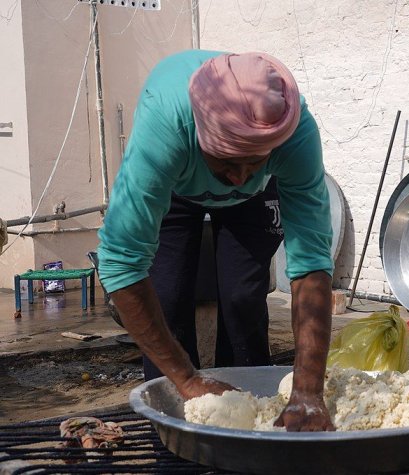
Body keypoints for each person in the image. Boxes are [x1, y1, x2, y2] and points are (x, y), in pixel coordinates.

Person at [97, 50, 335, 431]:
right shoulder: (166, 125)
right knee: (168, 298)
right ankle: (174, 423)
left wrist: (308, 393)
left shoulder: (293, 134)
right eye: (228, 162)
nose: (239, 177)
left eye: (252, 162)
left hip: (258, 195)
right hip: (177, 187)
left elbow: (311, 262)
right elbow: (121, 263)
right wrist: (188, 379)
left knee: (243, 298)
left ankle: (257, 420)